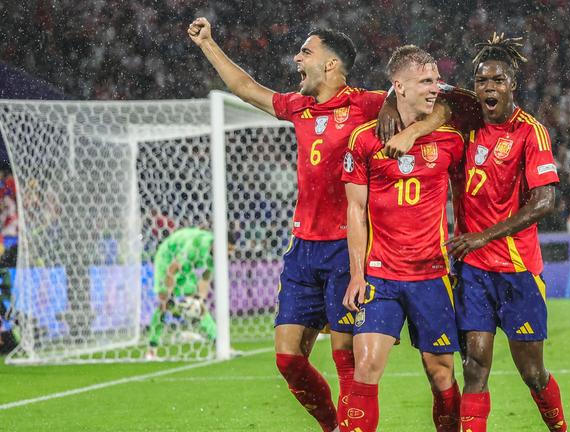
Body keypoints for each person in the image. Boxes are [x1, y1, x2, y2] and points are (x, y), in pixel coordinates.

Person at [189, 18, 443, 431]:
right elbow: (245, 88)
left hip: (347, 249)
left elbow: (438, 103)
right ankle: (333, 425)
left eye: (306, 53)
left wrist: (415, 132)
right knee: (288, 359)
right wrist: (208, 44)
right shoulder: (299, 106)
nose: (297, 59)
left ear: (331, 64)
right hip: (303, 249)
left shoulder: (366, 103)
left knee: (347, 362)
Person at [443, 34, 568, 432]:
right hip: (474, 270)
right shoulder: (464, 123)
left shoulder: (531, 132)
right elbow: (420, 87)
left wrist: (483, 235)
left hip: (517, 269)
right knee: (475, 365)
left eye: (497, 81)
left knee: (532, 372)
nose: (489, 88)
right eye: (482, 81)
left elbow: (545, 201)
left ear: (512, 84)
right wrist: (394, 101)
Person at [340, 45, 465, 432]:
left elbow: (470, 104)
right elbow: (355, 213)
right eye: (425, 81)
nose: (434, 89)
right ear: (399, 86)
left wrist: (415, 130)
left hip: (431, 273)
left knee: (441, 372)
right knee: (367, 366)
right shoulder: (364, 140)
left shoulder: (451, 139)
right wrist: (357, 275)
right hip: (381, 275)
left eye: (436, 81)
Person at [146, 227, 234, 359]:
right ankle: (151, 350)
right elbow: (172, 268)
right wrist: (168, 295)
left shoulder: (217, 256)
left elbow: (205, 279)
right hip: (167, 257)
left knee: (198, 306)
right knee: (164, 305)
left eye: (231, 251)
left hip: (185, 266)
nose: (229, 254)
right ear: (218, 244)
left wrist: (200, 300)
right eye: (228, 249)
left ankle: (221, 345)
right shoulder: (194, 247)